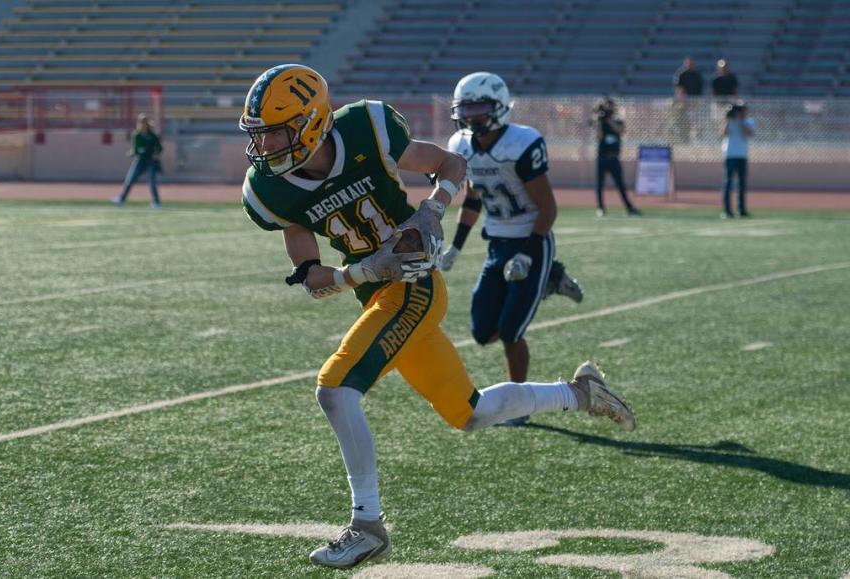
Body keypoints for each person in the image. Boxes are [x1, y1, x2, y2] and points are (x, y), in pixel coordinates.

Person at [238, 64, 636, 570]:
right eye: (260, 134)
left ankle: (367, 525)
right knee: (469, 413)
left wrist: (431, 210)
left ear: (313, 122)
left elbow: (449, 164)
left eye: (275, 131)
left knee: (334, 388)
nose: (266, 145)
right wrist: (359, 272)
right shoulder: (269, 191)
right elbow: (313, 279)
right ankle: (580, 393)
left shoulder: (366, 126)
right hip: (378, 292)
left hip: (415, 287)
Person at [437, 72, 585, 426]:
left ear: (500, 107)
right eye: (465, 109)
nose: (471, 116)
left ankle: (521, 405)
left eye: (479, 107)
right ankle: (551, 282)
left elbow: (547, 209)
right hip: (497, 243)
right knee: (482, 332)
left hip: (532, 240)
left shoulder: (521, 142)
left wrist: (526, 253)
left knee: (511, 332)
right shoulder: (461, 145)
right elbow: (473, 200)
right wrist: (456, 246)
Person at [592, 97, 639, 217]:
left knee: (620, 184)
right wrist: (599, 121)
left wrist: (608, 120)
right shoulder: (601, 121)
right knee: (599, 184)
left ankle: (629, 207)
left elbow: (620, 130)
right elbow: (598, 136)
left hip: (614, 158)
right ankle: (600, 208)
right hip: (602, 157)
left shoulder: (617, 120)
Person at [113, 113, 163, 209]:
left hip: (150, 162)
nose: (141, 124)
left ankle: (156, 202)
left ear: (146, 124)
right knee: (129, 180)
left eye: (143, 122)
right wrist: (131, 153)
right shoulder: (136, 135)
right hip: (139, 161)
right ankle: (121, 199)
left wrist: (156, 154)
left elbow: (159, 148)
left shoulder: (152, 136)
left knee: (152, 182)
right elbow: (136, 149)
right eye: (139, 122)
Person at [721, 102, 754, 218]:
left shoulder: (748, 122)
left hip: (742, 156)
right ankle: (727, 210)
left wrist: (740, 121)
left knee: (742, 184)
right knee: (728, 183)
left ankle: (741, 209)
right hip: (729, 155)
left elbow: (748, 134)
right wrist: (727, 119)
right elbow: (723, 133)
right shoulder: (729, 121)